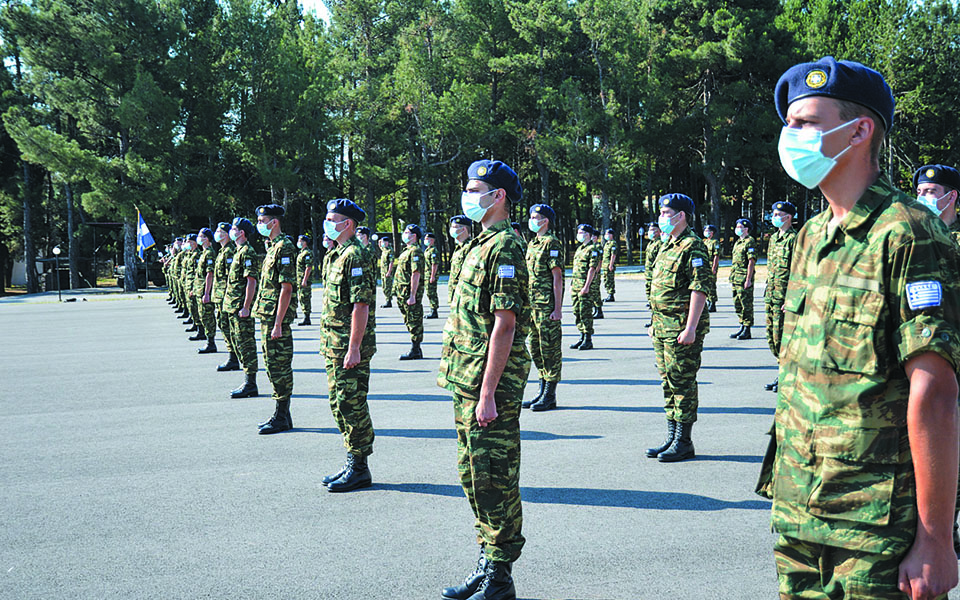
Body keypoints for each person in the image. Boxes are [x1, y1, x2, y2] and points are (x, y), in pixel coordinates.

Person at [761, 56, 960, 599]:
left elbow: (935, 391)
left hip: (877, 532)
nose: (790, 136)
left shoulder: (910, 233)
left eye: (805, 123)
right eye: (789, 124)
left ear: (858, 130)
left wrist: (936, 538)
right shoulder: (809, 236)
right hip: (800, 511)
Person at [438, 159, 530, 600]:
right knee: (473, 475)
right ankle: (487, 561)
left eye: (476, 189)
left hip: (488, 383)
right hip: (465, 377)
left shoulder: (506, 247)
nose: (468, 196)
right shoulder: (475, 245)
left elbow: (505, 325)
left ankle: (500, 574)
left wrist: (489, 392)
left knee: (493, 476)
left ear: (499, 197)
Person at [913, 164, 960, 557]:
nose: (924, 196)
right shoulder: (916, 239)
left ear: (952, 197)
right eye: (920, 190)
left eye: (932, 190)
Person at [318, 199, 378, 493]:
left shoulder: (356, 256)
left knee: (351, 404)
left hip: (348, 346)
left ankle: (360, 466)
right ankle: (351, 459)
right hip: (333, 344)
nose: (328, 223)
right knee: (338, 403)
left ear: (348, 224)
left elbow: (361, 305)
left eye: (333, 219)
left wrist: (354, 347)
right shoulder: (336, 255)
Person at [645, 194, 710, 463]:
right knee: (668, 383)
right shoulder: (666, 245)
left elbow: (699, 288)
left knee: (682, 383)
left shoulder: (693, 246)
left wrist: (691, 327)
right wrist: (652, 321)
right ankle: (671, 436)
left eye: (666, 212)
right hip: (662, 327)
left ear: (680, 215)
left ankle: (684, 441)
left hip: (681, 329)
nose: (662, 217)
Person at [253, 204, 299, 435]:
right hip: (266, 316)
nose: (260, 224)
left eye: (263, 221)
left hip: (275, 319)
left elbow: (286, 288)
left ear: (275, 222)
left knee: (279, 366)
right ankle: (282, 414)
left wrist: (279, 322)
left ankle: (282, 414)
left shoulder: (285, 248)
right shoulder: (272, 248)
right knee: (272, 365)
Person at [523, 203, 564, 411]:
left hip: (547, 306)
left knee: (550, 349)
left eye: (534, 216)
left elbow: (557, 278)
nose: (531, 220)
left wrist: (558, 308)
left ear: (544, 221)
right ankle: (541, 390)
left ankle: (550, 394)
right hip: (532, 306)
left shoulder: (552, 243)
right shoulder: (533, 243)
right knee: (536, 348)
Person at [224, 218, 261, 399]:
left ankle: (250, 383)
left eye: (234, 229)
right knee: (238, 343)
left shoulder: (247, 252)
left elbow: (251, 281)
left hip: (241, 308)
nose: (231, 231)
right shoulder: (239, 251)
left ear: (242, 233)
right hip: (233, 306)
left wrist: (246, 306)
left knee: (246, 345)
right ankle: (247, 380)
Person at [763, 201, 797, 392]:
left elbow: (799, 270)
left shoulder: (795, 239)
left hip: (785, 298)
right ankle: (782, 372)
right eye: (773, 213)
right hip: (772, 295)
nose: (774, 217)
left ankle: (787, 376)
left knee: (783, 338)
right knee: (771, 337)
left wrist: (792, 297)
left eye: (778, 214)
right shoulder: (774, 239)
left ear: (788, 217)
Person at [395, 223, 425, 360]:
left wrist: (413, 295)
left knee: (414, 320)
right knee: (409, 320)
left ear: (414, 236)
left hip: (409, 293)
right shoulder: (407, 251)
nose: (404, 234)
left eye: (407, 232)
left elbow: (416, 273)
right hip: (403, 292)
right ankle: (415, 348)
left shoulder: (415, 251)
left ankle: (416, 349)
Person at [213, 222, 240, 372]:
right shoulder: (223, 251)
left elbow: (231, 276)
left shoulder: (229, 252)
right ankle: (233, 356)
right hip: (221, 295)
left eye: (219, 231)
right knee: (223, 325)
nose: (217, 233)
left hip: (226, 296)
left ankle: (234, 357)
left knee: (228, 327)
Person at [570, 223, 599, 351]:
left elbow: (592, 269)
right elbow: (576, 269)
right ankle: (581, 336)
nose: (579, 234)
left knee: (585, 312)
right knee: (577, 312)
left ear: (588, 234)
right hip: (576, 286)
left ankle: (588, 339)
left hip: (585, 287)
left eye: (581, 232)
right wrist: (572, 284)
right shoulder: (580, 248)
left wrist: (586, 286)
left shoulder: (593, 249)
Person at [914, 164, 960, 243]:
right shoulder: (913, 235)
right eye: (919, 192)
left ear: (951, 196)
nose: (920, 197)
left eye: (930, 192)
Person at [729, 218, 756, 340]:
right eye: (737, 226)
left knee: (746, 304)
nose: (737, 229)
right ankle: (742, 325)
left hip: (744, 278)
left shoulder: (749, 241)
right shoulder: (738, 242)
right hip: (735, 277)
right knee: (737, 303)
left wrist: (748, 279)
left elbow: (751, 262)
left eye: (740, 227)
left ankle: (747, 329)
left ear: (746, 229)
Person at [195, 228, 219, 353]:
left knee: (208, 317)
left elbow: (210, 274)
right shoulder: (203, 253)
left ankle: (211, 343)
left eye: (201, 236)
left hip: (205, 291)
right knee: (203, 317)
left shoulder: (209, 253)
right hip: (200, 290)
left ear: (207, 239)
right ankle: (209, 341)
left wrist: (207, 293)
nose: (199, 238)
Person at [448, 215, 472, 303]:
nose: (452, 229)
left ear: (464, 229)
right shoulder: (459, 248)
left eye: (454, 227)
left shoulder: (470, 248)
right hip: (455, 295)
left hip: (464, 296)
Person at [643, 222, 662, 327]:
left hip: (655, 276)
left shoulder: (660, 244)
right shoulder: (651, 243)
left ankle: (656, 321)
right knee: (651, 299)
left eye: (654, 230)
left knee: (655, 300)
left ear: (659, 231)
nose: (652, 232)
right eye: (650, 230)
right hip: (649, 276)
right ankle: (653, 319)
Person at [182, 234, 202, 336]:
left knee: (196, 308)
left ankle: (201, 330)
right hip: (188, 284)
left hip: (193, 285)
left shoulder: (197, 255)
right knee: (192, 307)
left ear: (194, 242)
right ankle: (195, 324)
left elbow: (196, 273)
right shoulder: (191, 254)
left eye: (188, 241)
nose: (186, 244)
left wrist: (193, 288)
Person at [296, 235, 314, 326]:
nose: (299, 242)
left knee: (305, 298)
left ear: (305, 242)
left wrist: (305, 280)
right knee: (302, 298)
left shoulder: (307, 253)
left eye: (300, 241)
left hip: (304, 280)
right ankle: (305, 316)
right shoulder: (301, 253)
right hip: (299, 279)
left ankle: (307, 317)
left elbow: (308, 267)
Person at [702, 225, 720, 313]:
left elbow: (716, 256)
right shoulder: (704, 242)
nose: (706, 232)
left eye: (708, 230)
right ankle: (708, 301)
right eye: (705, 230)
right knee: (706, 284)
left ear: (712, 233)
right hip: (704, 266)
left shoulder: (715, 242)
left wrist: (714, 268)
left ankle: (712, 302)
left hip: (711, 265)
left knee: (712, 285)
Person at [589, 227, 604, 320]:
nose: (593, 238)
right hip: (592, 273)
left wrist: (597, 271)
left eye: (594, 236)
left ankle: (599, 310)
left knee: (595, 292)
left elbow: (600, 260)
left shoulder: (598, 247)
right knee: (592, 292)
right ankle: (596, 309)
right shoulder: (591, 246)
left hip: (595, 273)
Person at [424, 232, 440, 319]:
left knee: (432, 293)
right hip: (427, 274)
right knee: (429, 292)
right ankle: (432, 309)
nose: (426, 240)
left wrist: (432, 276)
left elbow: (435, 264)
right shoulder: (428, 250)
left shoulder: (433, 250)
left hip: (430, 274)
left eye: (428, 239)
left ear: (432, 240)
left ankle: (434, 311)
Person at [379, 237, 396, 308]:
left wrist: (389, 271)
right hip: (383, 271)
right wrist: (379, 241)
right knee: (384, 286)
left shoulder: (390, 250)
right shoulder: (384, 249)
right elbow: (379, 245)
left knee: (387, 286)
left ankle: (388, 301)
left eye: (384, 242)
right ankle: (388, 299)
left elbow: (391, 262)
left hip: (387, 271)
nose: (383, 244)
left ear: (387, 242)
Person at [602, 228, 618, 303]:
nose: (606, 235)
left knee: (610, 280)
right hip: (605, 265)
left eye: (608, 234)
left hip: (609, 264)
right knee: (606, 280)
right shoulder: (606, 244)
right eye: (606, 234)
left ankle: (611, 295)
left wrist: (611, 265)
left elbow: (613, 255)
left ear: (612, 235)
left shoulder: (613, 243)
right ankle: (609, 293)